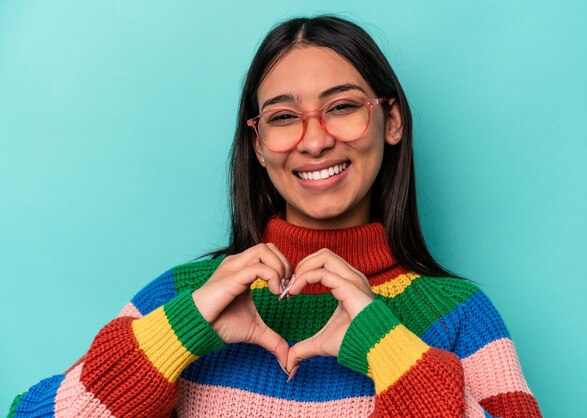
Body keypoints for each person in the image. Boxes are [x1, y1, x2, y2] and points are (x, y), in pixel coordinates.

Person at [9, 15, 542, 418]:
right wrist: (180, 334)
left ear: (392, 121)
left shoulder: (460, 314)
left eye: (342, 106)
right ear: (259, 145)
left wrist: (389, 348)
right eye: (284, 117)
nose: (314, 140)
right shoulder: (186, 297)